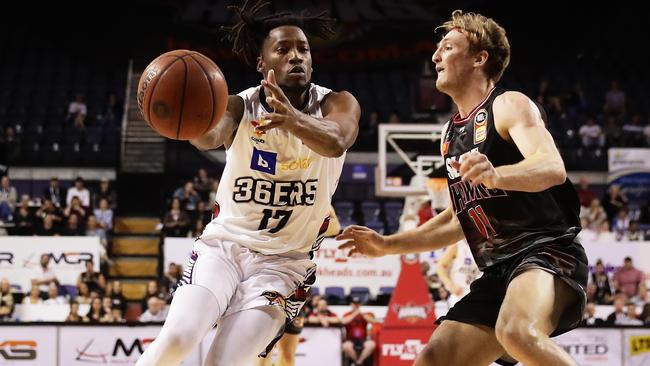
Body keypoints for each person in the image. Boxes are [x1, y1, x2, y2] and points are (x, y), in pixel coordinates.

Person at [337, 10, 587, 366]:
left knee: (516, 331)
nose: (436, 56)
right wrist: (387, 245)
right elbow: (458, 219)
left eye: (448, 47)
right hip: (498, 269)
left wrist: (498, 175)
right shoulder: (450, 134)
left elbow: (552, 167)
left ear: (479, 57)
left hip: (547, 251)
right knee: (433, 359)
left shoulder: (508, 104)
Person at [136, 2, 359, 365]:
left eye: (303, 49)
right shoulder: (240, 107)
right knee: (178, 338)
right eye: (283, 50)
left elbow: (336, 140)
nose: (296, 57)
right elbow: (210, 134)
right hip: (225, 248)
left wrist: (292, 121)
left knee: (224, 362)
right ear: (262, 64)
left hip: (284, 265)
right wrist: (188, 113)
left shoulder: (338, 103)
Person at [436, 240, 480, 306]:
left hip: (478, 294)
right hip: (459, 294)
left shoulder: (485, 244)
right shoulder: (458, 245)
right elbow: (440, 267)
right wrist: (451, 285)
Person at [341, 297, 376, 366]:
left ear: (360, 305)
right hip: (350, 339)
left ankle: (359, 361)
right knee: (345, 346)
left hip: (363, 339)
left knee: (371, 344)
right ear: (351, 305)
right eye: (354, 304)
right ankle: (357, 361)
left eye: (357, 304)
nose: (356, 306)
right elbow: (343, 321)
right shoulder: (347, 314)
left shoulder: (366, 314)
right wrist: (354, 314)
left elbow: (373, 321)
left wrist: (361, 314)